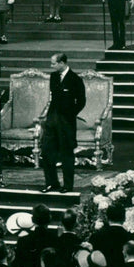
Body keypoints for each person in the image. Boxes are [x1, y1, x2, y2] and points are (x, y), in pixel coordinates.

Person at [40, 53, 86, 193]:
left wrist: (69, 115)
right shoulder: (53, 77)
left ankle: (67, 186)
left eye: (53, 63)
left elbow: (81, 101)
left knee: (66, 155)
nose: (51, 66)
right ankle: (51, 183)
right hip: (52, 120)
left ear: (62, 63)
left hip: (66, 122)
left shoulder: (75, 79)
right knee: (47, 152)